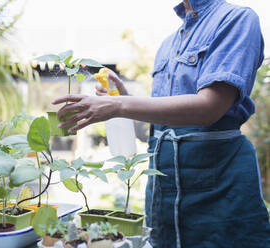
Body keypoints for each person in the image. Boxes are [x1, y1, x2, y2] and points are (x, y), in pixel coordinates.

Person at [52, 0, 270, 247]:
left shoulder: (236, 19)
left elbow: (210, 107)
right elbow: (167, 118)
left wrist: (119, 106)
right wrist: (124, 99)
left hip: (219, 188)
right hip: (163, 192)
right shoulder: (169, 44)